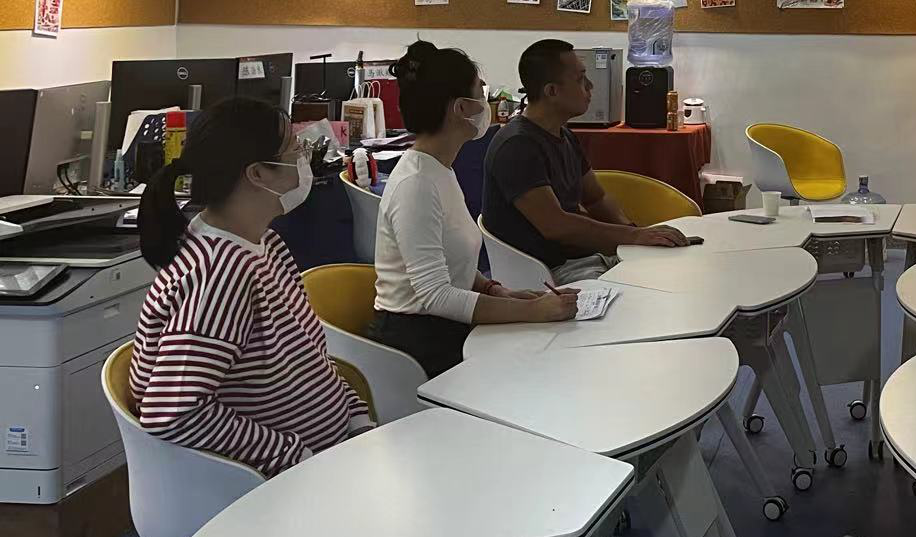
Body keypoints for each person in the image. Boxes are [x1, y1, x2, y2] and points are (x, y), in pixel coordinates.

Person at [130, 98, 370, 477]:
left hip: (330, 455)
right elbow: (172, 413)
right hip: (288, 480)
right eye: (295, 150)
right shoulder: (221, 274)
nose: (305, 159)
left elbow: (310, 359)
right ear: (257, 174)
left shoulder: (265, 243)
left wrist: (357, 421)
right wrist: (295, 457)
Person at [369, 41, 578, 376]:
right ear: (461, 108)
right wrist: (535, 311)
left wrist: (497, 290)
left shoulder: (439, 169)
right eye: (480, 92)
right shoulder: (417, 183)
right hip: (418, 341)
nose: (486, 102)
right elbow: (435, 296)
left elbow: (451, 260)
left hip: (445, 323)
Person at [482, 39, 689, 285]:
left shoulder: (563, 135)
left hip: (586, 258)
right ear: (552, 91)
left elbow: (596, 199)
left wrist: (638, 234)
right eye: (581, 79)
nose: (590, 86)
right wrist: (633, 237)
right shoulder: (516, 146)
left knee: (674, 272)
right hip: (548, 271)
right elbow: (556, 225)